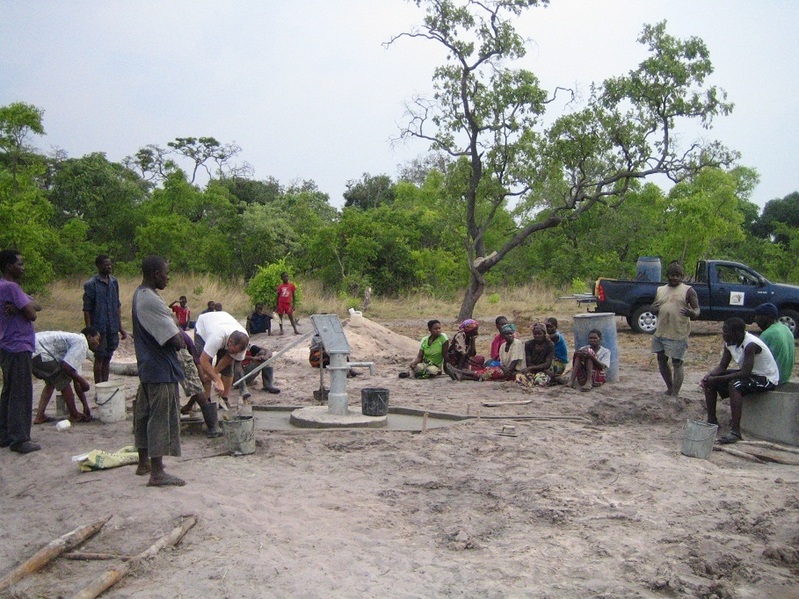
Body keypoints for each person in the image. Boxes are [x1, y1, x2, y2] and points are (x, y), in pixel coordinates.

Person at [132, 255, 187, 487]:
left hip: (147, 365)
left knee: (143, 414)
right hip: (160, 367)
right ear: (155, 274)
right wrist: (177, 326)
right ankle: (157, 472)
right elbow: (175, 340)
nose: (168, 276)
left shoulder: (140, 294)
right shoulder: (152, 301)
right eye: (166, 272)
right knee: (160, 418)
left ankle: (143, 462)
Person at [701, 317, 779, 444]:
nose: (723, 334)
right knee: (709, 382)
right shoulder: (730, 342)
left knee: (735, 385)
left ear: (737, 332)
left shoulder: (750, 344)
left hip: (766, 378)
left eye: (726, 331)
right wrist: (709, 376)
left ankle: (736, 431)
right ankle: (712, 421)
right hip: (751, 374)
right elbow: (722, 367)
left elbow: (744, 373)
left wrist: (717, 378)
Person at [0, 250, 42, 453]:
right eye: (20, 264)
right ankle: (20, 439)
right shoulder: (12, 287)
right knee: (21, 393)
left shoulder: (4, 287)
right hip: (19, 344)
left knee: (9, 391)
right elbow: (33, 313)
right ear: (9, 266)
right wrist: (24, 306)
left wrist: (20, 306)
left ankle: (5, 434)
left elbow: (35, 304)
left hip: (6, 345)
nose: (23, 268)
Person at [651, 261, 700, 398]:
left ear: (682, 276)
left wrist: (692, 313)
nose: (674, 278)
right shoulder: (660, 290)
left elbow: (697, 310)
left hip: (678, 332)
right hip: (660, 331)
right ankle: (670, 387)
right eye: (672, 275)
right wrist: (653, 310)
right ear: (667, 275)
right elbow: (653, 307)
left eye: (677, 275)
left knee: (677, 362)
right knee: (661, 359)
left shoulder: (688, 291)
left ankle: (675, 393)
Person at [32, 328, 101, 424]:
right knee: (63, 379)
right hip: (39, 350)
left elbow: (75, 378)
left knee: (51, 382)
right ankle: (74, 415)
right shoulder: (82, 342)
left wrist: (85, 406)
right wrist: (83, 382)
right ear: (89, 337)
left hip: (33, 348)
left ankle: (40, 416)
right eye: (98, 339)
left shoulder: (77, 345)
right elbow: (66, 368)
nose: (98, 343)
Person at [83, 254, 128, 384]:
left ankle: (106, 384)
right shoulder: (91, 284)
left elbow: (117, 305)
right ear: (99, 266)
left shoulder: (114, 282)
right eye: (106, 265)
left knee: (108, 356)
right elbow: (87, 309)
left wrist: (120, 327)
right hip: (99, 327)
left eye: (110, 264)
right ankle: (99, 386)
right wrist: (90, 331)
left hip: (112, 326)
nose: (109, 267)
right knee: (99, 357)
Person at [194, 309, 249, 407]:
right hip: (204, 327)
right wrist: (217, 380)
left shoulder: (243, 340)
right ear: (230, 341)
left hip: (223, 321)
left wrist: (214, 373)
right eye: (234, 350)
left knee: (228, 369)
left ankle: (224, 400)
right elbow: (203, 360)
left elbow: (229, 358)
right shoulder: (216, 337)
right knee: (204, 370)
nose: (236, 353)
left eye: (238, 352)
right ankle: (207, 402)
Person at [176, 330, 222, 438]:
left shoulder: (180, 337)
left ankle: (213, 427)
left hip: (181, 354)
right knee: (195, 387)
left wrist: (201, 376)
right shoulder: (181, 334)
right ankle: (213, 426)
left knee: (195, 388)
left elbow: (195, 359)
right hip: (179, 354)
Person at [446, 323, 524, 381]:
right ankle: (462, 376)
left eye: (511, 333)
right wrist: (502, 368)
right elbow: (502, 363)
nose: (510, 335)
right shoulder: (503, 346)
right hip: (505, 369)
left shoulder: (517, 343)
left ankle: (460, 372)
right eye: (507, 334)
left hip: (514, 371)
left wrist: (503, 369)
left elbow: (513, 365)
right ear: (503, 336)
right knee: (488, 372)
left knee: (489, 372)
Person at [753, 303, 794, 385]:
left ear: (768, 317)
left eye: (758, 316)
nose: (755, 319)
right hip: (785, 377)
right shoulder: (785, 328)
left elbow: (755, 361)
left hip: (774, 379)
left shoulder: (768, 334)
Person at [516, 322, 555, 387]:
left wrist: (531, 368)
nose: (537, 336)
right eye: (535, 334)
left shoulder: (550, 345)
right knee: (519, 378)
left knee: (539, 380)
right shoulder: (529, 344)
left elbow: (547, 364)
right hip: (535, 370)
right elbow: (528, 362)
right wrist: (532, 369)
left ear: (544, 334)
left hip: (544, 370)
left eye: (539, 334)